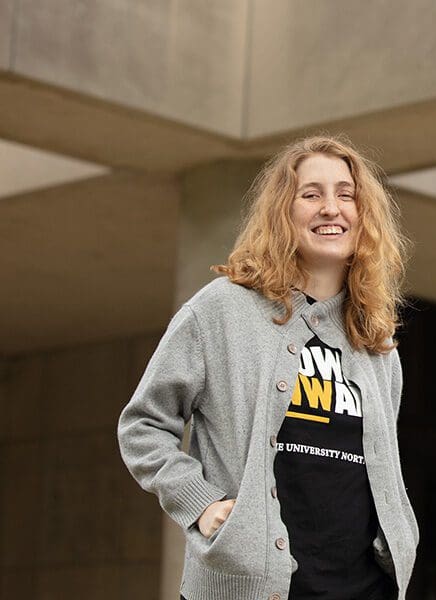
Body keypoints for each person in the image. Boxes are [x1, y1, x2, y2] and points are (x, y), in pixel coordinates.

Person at [118, 136, 418, 600]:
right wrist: (203, 506)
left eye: (345, 194)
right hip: (251, 585)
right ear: (284, 210)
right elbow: (142, 426)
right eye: (311, 194)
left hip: (363, 586)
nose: (331, 208)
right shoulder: (220, 311)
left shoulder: (375, 343)